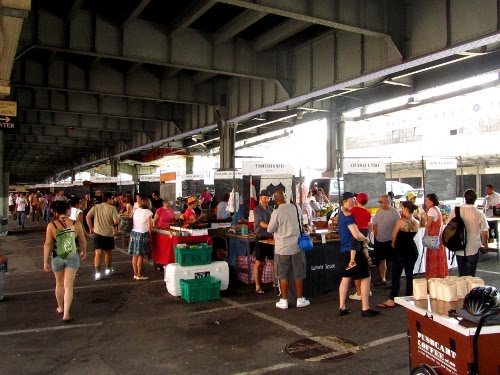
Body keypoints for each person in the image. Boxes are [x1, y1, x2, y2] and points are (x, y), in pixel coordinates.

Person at [43, 200, 87, 322]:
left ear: (56, 212)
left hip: (57, 257)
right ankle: (66, 314)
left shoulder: (51, 225)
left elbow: (48, 244)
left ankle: (61, 307)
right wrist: (84, 251)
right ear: (67, 210)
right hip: (72, 256)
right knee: (69, 286)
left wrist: (45, 261)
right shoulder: (76, 223)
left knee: (59, 284)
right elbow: (83, 240)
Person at [337, 192, 379, 317]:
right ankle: (365, 308)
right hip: (354, 249)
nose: (353, 201)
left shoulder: (341, 215)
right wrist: (365, 239)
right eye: (352, 199)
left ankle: (342, 307)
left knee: (345, 278)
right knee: (366, 277)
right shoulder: (349, 215)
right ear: (347, 200)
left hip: (345, 251)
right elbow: (356, 235)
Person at [267, 190, 310, 309]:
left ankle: (284, 300)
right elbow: (302, 221)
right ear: (285, 197)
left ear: (275, 200)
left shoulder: (276, 212)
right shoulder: (296, 208)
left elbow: (270, 229)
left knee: (283, 275)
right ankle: (300, 299)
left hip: (282, 248)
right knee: (298, 274)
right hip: (297, 246)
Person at [378, 201, 419, 308]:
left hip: (401, 251)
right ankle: (409, 297)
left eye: (402, 208)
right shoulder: (416, 222)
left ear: (406, 209)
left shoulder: (401, 221)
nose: (401, 210)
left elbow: (394, 236)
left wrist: (393, 245)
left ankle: (392, 299)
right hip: (412, 250)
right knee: (409, 275)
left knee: (396, 275)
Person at [448, 189, 489, 276]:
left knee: (462, 274)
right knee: (471, 275)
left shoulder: (455, 211)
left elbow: (449, 227)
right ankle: (470, 288)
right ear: (475, 199)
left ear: (465, 198)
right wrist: (485, 244)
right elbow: (484, 232)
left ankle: (463, 288)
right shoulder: (479, 213)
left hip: (459, 247)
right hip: (473, 248)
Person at [86, 192, 119, 281]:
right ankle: (108, 269)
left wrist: (91, 228)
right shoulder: (112, 208)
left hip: (97, 233)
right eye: (112, 198)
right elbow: (116, 221)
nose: (112, 200)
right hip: (108, 234)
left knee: (98, 254)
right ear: (108, 199)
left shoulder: (96, 207)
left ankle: (97, 273)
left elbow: (88, 217)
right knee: (107, 252)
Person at [348, 192, 373, 300]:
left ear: (356, 201)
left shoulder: (352, 211)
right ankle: (367, 290)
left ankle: (359, 293)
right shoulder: (368, 213)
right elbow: (370, 227)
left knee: (356, 264)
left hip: (356, 235)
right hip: (365, 234)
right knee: (364, 263)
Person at [372, 194, 400, 286]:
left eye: (381, 202)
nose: (380, 203)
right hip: (379, 240)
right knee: (381, 260)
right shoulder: (378, 212)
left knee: (392, 261)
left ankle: (392, 280)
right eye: (379, 201)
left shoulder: (394, 212)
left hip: (390, 240)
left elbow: (398, 226)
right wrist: (375, 236)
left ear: (388, 202)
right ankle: (383, 278)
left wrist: (394, 239)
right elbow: (375, 225)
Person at [253, 190, 274, 294]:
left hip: (270, 238)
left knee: (274, 262)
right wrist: (272, 227)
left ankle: (275, 283)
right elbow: (261, 223)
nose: (267, 200)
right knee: (258, 262)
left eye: (268, 198)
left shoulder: (271, 209)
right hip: (260, 237)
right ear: (260, 198)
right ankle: (257, 285)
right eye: (265, 198)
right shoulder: (256, 210)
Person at [423, 193, 448, 279]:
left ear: (432, 201)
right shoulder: (437, 209)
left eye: (427, 200)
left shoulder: (431, 210)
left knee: (432, 260)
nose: (425, 202)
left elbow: (428, 225)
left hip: (432, 238)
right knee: (439, 258)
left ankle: (433, 277)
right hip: (438, 237)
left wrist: (425, 234)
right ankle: (441, 276)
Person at [128, 196, 153, 280]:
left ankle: (135, 274)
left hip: (134, 233)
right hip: (142, 234)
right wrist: (150, 235)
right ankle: (139, 275)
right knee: (140, 256)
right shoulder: (148, 212)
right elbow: (150, 226)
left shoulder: (136, 210)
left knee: (134, 255)